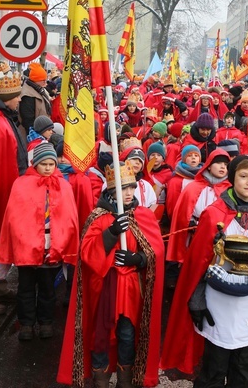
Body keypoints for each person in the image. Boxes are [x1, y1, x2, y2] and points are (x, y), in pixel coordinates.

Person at [160, 155, 248, 388]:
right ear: (232, 178)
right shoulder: (214, 214)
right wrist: (197, 299)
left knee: (242, 369)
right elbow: (197, 264)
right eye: (243, 176)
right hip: (217, 303)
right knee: (214, 367)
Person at [57, 161, 164, 388]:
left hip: (131, 289)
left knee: (127, 335)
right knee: (101, 336)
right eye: (122, 188)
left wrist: (140, 259)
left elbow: (155, 252)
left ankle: (125, 381)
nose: (128, 193)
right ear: (111, 190)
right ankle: (100, 381)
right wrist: (112, 232)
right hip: (104, 287)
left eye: (131, 188)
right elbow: (87, 253)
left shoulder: (142, 215)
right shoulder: (98, 216)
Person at [0, 143, 79, 340]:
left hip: (51, 247)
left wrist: (65, 242)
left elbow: (70, 218)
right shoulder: (21, 185)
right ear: (35, 164)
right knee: (25, 289)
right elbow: (14, 218)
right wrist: (22, 241)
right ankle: (26, 324)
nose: (49, 167)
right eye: (44, 163)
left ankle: (46, 322)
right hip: (27, 248)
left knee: (47, 289)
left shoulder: (64, 186)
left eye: (52, 163)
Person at [0, 62, 28, 316]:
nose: (19, 100)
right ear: (8, 100)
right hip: (1, 193)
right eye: (16, 96)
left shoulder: (4, 119)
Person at [19, 62, 52, 143]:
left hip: (42, 133)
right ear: (35, 80)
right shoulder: (27, 95)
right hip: (32, 137)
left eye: (46, 79)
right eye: (43, 80)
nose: (45, 82)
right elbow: (28, 121)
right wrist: (38, 137)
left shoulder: (39, 89)